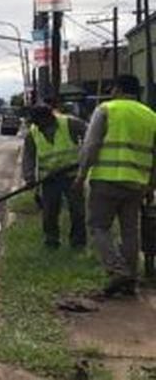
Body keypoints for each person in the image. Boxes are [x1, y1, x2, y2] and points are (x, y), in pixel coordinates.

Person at [73, 75, 156, 297]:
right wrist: (151, 184)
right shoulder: (150, 116)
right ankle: (130, 280)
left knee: (98, 226)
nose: (110, 92)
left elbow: (91, 145)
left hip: (106, 180)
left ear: (118, 89)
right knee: (130, 231)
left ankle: (118, 271)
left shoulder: (106, 109)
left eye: (112, 89)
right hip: (136, 183)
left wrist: (81, 175)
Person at [23, 104, 88, 249]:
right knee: (49, 212)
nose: (38, 126)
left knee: (77, 210)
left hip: (72, 176)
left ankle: (78, 242)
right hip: (49, 179)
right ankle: (51, 241)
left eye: (40, 122)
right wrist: (29, 178)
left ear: (49, 118)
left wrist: (85, 158)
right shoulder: (33, 133)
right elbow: (28, 157)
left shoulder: (70, 123)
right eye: (35, 123)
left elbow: (91, 136)